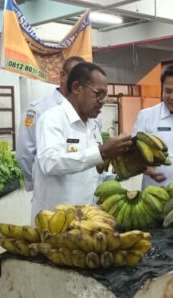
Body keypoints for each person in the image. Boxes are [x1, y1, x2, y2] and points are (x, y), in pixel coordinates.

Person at [31, 62, 133, 220]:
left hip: (87, 221)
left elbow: (96, 174)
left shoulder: (92, 126)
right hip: (55, 222)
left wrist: (129, 169)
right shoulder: (52, 119)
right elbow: (50, 163)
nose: (103, 101)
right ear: (77, 87)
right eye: (98, 94)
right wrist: (102, 152)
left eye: (105, 96)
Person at [16, 56, 87, 192]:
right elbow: (24, 155)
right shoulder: (39, 110)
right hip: (51, 191)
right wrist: (37, 182)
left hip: (84, 192)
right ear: (63, 76)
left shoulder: (90, 113)